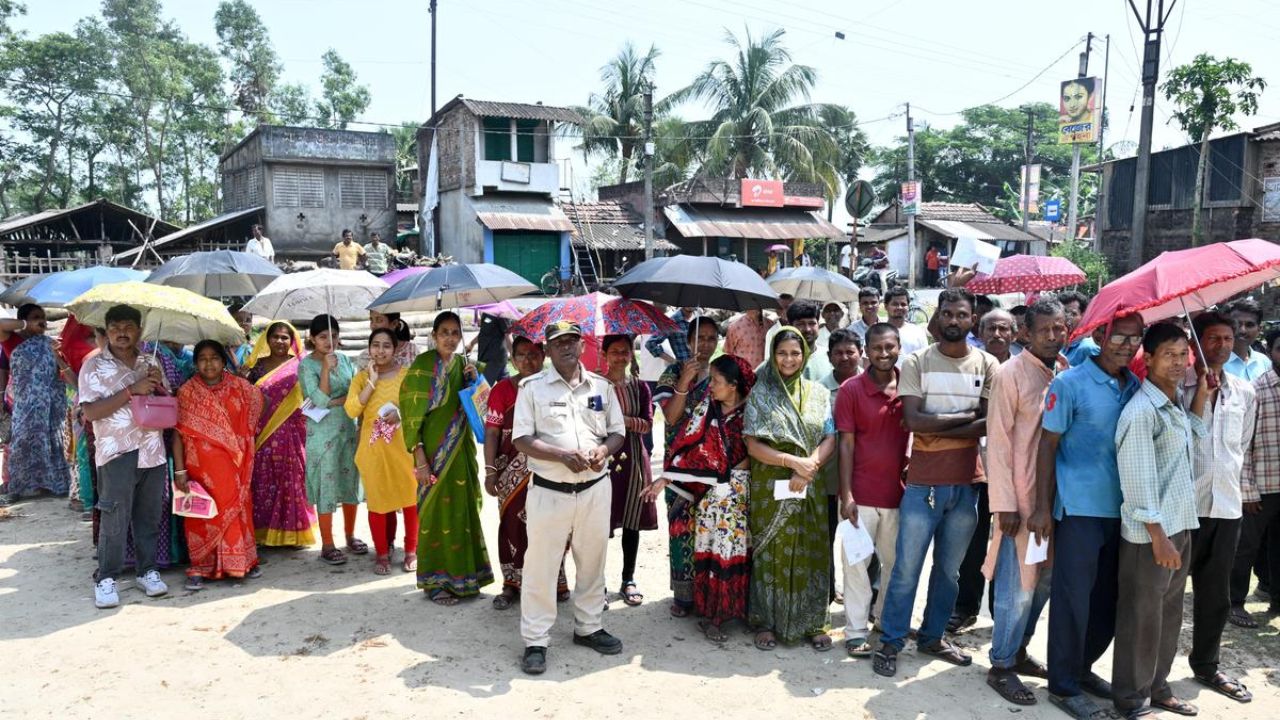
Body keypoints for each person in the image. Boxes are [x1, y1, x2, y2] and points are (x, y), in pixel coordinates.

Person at [873, 288, 997, 678]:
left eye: (962, 314)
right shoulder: (917, 362)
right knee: (907, 569)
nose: (954, 320)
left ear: (971, 319)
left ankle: (932, 636)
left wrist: (940, 423)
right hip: (923, 484)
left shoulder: (988, 364)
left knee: (949, 571)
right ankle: (891, 641)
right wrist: (965, 421)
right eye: (947, 314)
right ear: (938, 318)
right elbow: (913, 421)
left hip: (966, 484)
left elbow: (989, 422)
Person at [1041, 312, 1143, 719]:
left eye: (1135, 339)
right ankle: (1063, 686)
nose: (1126, 345)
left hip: (1122, 511)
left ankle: (1083, 669)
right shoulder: (1069, 383)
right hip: (1079, 508)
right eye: (1119, 336)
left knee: (1108, 599)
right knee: (1072, 600)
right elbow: (1047, 446)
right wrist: (1040, 508)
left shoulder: (1134, 386)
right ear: (1101, 335)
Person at [512, 320, 626, 675]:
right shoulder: (532, 388)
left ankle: (589, 627)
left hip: (595, 489)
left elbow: (617, 433)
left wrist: (602, 452)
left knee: (592, 560)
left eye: (572, 341)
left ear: (582, 345)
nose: (566, 347)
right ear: (546, 350)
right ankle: (535, 640)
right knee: (541, 567)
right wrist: (560, 455)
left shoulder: (602, 387)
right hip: (550, 491)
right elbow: (521, 439)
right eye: (558, 342)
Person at [1113, 321, 1209, 718]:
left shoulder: (1173, 406)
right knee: (1142, 617)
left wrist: (1202, 392)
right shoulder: (1140, 411)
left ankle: (1158, 686)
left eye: (1182, 354)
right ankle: (1132, 699)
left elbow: (1195, 437)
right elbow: (1137, 480)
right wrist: (1158, 535)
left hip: (1179, 525)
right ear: (1147, 359)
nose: (1177, 362)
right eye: (1168, 355)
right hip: (1150, 535)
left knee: (1169, 613)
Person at [981, 299, 1068, 707]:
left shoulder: (1064, 372)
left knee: (1044, 584)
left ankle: (1018, 649)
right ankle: (1000, 664)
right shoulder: (1010, 374)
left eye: (1060, 328)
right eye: (1045, 330)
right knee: (1017, 588)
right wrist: (1005, 505)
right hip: (1019, 499)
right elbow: (996, 444)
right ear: (1025, 334)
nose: (1053, 336)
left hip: (1054, 501)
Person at [1178, 312, 1256, 703]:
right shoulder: (1178, 386)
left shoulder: (1245, 391)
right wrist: (1200, 394)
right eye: (1212, 339)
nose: (1222, 345)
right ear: (1195, 344)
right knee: (1169, 594)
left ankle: (1207, 664)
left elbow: (1240, 445)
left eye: (1228, 338)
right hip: (1185, 508)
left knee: (1216, 595)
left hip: (1227, 506)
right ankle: (1152, 672)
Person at [650, 354, 755, 641]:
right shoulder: (707, 410)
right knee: (711, 553)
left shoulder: (753, 413)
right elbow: (691, 448)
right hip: (710, 497)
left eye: (717, 382)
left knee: (738, 552)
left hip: (741, 497)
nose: (711, 387)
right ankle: (713, 616)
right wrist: (667, 477)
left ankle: (738, 610)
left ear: (733, 386)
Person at [744, 327, 837, 650]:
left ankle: (812, 620)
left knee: (812, 551)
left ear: (805, 355)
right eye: (782, 353)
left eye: (795, 353)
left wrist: (809, 466)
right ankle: (766, 621)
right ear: (772, 355)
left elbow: (829, 437)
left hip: (809, 485)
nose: (789, 359)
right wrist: (790, 462)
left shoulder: (818, 393)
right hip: (771, 486)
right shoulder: (761, 392)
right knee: (771, 552)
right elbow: (752, 444)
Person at [78, 305, 170, 608]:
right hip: (116, 451)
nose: (122, 332)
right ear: (106, 331)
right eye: (115, 326)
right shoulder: (93, 366)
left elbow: (168, 405)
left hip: (153, 451)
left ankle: (148, 571)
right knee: (114, 517)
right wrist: (131, 390)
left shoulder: (150, 361)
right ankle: (106, 578)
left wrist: (158, 386)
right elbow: (90, 412)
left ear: (139, 330)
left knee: (149, 516)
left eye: (128, 326)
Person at [401, 311, 493, 605]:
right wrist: (420, 459)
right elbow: (411, 416)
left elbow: (484, 405)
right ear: (434, 335)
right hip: (432, 451)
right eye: (444, 332)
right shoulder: (421, 367)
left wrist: (475, 380)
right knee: (433, 512)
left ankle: (467, 577)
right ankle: (436, 581)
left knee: (463, 511)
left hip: (460, 450)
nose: (450, 338)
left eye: (455, 333)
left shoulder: (468, 365)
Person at [836, 323, 910, 658]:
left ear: (898, 348)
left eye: (890, 347)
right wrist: (846, 495)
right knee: (856, 567)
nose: (884, 353)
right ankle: (854, 631)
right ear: (866, 350)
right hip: (861, 497)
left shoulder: (910, 387)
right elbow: (846, 446)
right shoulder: (851, 390)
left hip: (899, 497)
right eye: (877, 348)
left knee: (895, 567)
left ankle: (883, 620)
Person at [172, 340, 265, 590]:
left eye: (214, 357)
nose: (209, 363)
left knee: (236, 511)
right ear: (195, 363)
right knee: (201, 516)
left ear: (223, 361)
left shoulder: (240, 388)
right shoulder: (187, 392)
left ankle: (241, 562)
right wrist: (179, 470)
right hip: (199, 470)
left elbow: (258, 402)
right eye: (202, 358)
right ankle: (200, 566)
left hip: (235, 466)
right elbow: (178, 435)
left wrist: (243, 443)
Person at [484, 336, 568, 608]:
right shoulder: (502, 390)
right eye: (521, 354)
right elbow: (493, 431)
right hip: (508, 470)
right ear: (512, 359)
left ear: (543, 356)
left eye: (533, 354)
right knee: (511, 524)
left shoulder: (552, 386)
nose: (527, 360)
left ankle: (554, 580)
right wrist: (489, 471)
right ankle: (511, 583)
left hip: (547, 469)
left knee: (549, 526)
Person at [950, 307, 1019, 633]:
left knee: (1007, 544)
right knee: (972, 541)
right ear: (980, 331)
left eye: (1004, 329)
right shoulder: (970, 365)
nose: (997, 335)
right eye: (991, 329)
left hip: (1014, 472)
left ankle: (999, 611)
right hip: (974, 466)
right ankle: (965, 607)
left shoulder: (1024, 369)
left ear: (1015, 334)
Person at [654, 316, 719, 616]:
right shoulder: (673, 372)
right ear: (687, 341)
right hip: (678, 468)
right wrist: (684, 381)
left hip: (713, 468)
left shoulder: (721, 373)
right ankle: (683, 596)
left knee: (712, 531)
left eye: (710, 338)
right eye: (699, 338)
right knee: (681, 529)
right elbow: (670, 417)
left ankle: (709, 594)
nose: (704, 344)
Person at [345, 328, 419, 575]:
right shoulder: (361, 378)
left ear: (395, 348)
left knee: (410, 500)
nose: (380, 350)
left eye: (386, 345)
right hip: (373, 451)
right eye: (375, 345)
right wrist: (371, 383)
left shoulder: (407, 376)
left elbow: (417, 408)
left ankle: (410, 551)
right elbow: (352, 410)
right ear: (369, 349)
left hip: (403, 449)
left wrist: (400, 414)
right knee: (377, 503)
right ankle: (382, 555)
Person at [244, 321, 316, 547]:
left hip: (293, 432)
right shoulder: (256, 366)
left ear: (293, 340)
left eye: (285, 337)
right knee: (264, 478)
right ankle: (264, 533)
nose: (279, 341)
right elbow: (248, 397)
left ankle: (294, 532)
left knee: (292, 477)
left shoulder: (302, 365)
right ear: (267, 339)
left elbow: (311, 395)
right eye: (275, 336)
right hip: (263, 432)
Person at [299, 315, 364, 565]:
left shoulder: (347, 360)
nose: (330, 341)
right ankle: (327, 543)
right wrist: (325, 369)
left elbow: (355, 394)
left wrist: (341, 401)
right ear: (313, 339)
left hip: (348, 428)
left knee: (350, 480)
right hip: (322, 432)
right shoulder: (306, 366)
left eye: (334, 336)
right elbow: (319, 399)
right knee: (326, 482)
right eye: (323, 336)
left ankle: (350, 535)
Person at [601, 334, 657, 607]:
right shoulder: (595, 386)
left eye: (625, 352)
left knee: (631, 521)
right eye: (615, 351)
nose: (621, 357)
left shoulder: (641, 387)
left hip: (634, 459)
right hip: (602, 461)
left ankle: (628, 578)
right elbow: (590, 423)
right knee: (599, 524)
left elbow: (648, 424)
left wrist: (620, 421)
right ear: (605, 355)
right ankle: (596, 583)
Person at [1231, 328, 1280, 627]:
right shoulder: (1257, 389)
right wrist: (1247, 489)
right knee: (1246, 546)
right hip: (1261, 486)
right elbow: (1243, 442)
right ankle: (1235, 602)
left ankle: (1277, 598)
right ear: (1271, 352)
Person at [5, 303, 73, 501]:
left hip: (52, 403)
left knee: (54, 442)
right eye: (36, 317)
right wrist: (27, 325)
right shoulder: (12, 340)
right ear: (23, 319)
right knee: (23, 442)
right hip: (26, 405)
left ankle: (55, 485)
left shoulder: (49, 343)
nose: (41, 321)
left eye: (43, 317)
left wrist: (57, 354)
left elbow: (63, 371)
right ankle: (20, 487)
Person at [819, 329, 863, 601]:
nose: (845, 357)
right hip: (826, 476)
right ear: (829, 356)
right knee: (825, 538)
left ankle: (862, 595)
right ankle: (826, 590)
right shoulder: (820, 389)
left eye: (851, 352)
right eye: (839, 353)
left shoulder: (873, 384)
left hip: (862, 476)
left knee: (861, 538)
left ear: (860, 353)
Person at [785, 300, 833, 381]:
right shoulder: (782, 360)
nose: (807, 329)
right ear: (790, 327)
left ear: (818, 324)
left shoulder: (829, 356)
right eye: (800, 324)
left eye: (812, 323)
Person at [883, 287, 930, 367]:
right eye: (895, 304)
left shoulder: (918, 332)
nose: (899, 307)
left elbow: (924, 361)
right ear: (886, 306)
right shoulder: (877, 332)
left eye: (903, 304)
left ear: (908, 306)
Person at [1225, 298, 1269, 381]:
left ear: (1259, 329)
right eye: (1237, 323)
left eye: (1249, 325)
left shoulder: (1264, 362)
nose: (1242, 330)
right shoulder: (1216, 364)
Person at [466, 312, 510, 385]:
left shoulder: (501, 313)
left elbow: (508, 335)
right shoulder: (486, 313)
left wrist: (513, 353)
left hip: (493, 360)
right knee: (507, 387)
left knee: (480, 390)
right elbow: (483, 333)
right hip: (484, 357)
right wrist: (471, 344)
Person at [1060, 291, 1100, 366]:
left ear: (1084, 316)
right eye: (1063, 313)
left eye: (1073, 314)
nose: (1067, 318)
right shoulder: (1060, 345)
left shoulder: (1088, 348)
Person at [229, 304, 255, 370]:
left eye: (248, 320)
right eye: (238, 320)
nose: (244, 323)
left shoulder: (253, 348)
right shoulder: (220, 349)